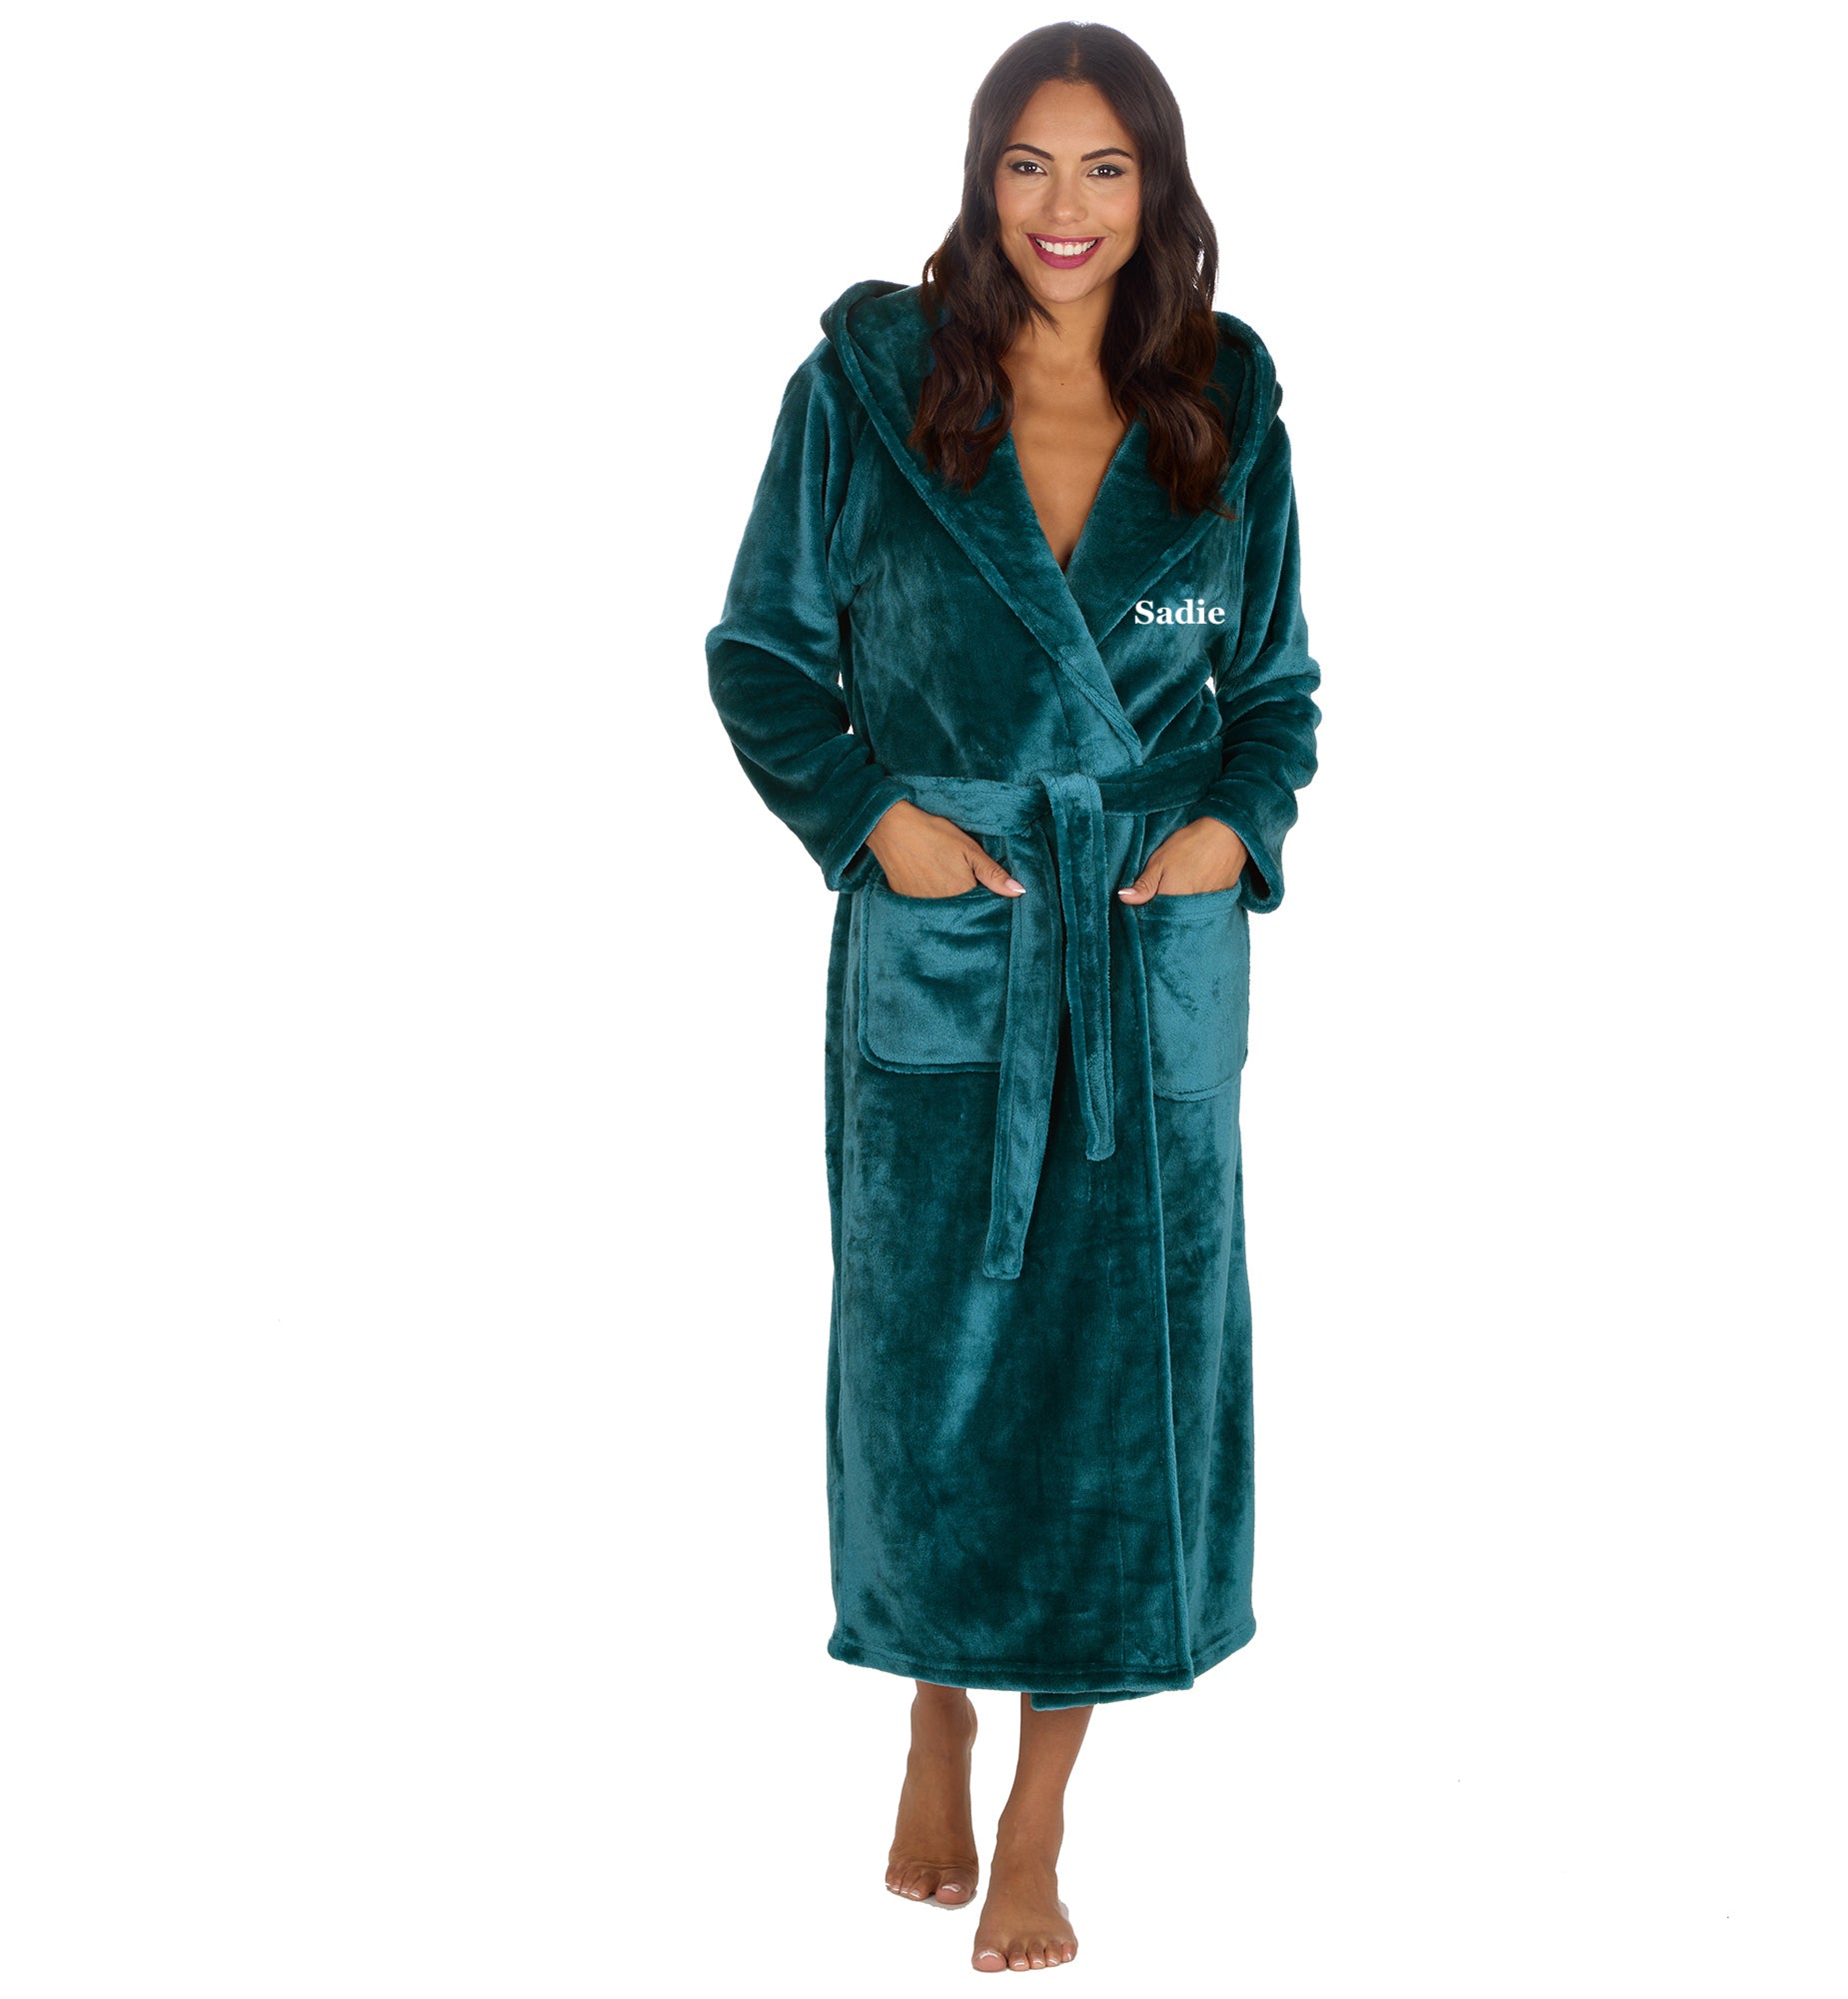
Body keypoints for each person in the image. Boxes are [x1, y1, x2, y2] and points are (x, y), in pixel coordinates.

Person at [704, 22, 1321, 1974]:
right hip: (948, 932)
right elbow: (760, 653)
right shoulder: (873, 389)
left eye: (1107, 168)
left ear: (1159, 190)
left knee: (1113, 1375)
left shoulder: (1223, 399)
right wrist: (868, 819)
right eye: (1031, 165)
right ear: (983, 179)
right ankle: (931, 1706)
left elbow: (1273, 692)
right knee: (928, 1358)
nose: (1067, 208)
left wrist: (1228, 830)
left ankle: (1042, 1809)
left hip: (1144, 944)